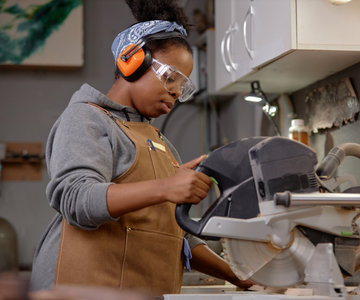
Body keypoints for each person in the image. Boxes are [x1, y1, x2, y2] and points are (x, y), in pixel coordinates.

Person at [29, 0, 252, 296]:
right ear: (131, 61)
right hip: (79, 288)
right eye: (170, 77)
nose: (175, 91)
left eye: (183, 86)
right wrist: (164, 188)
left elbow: (178, 234)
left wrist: (240, 277)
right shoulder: (86, 118)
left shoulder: (161, 144)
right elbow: (77, 199)